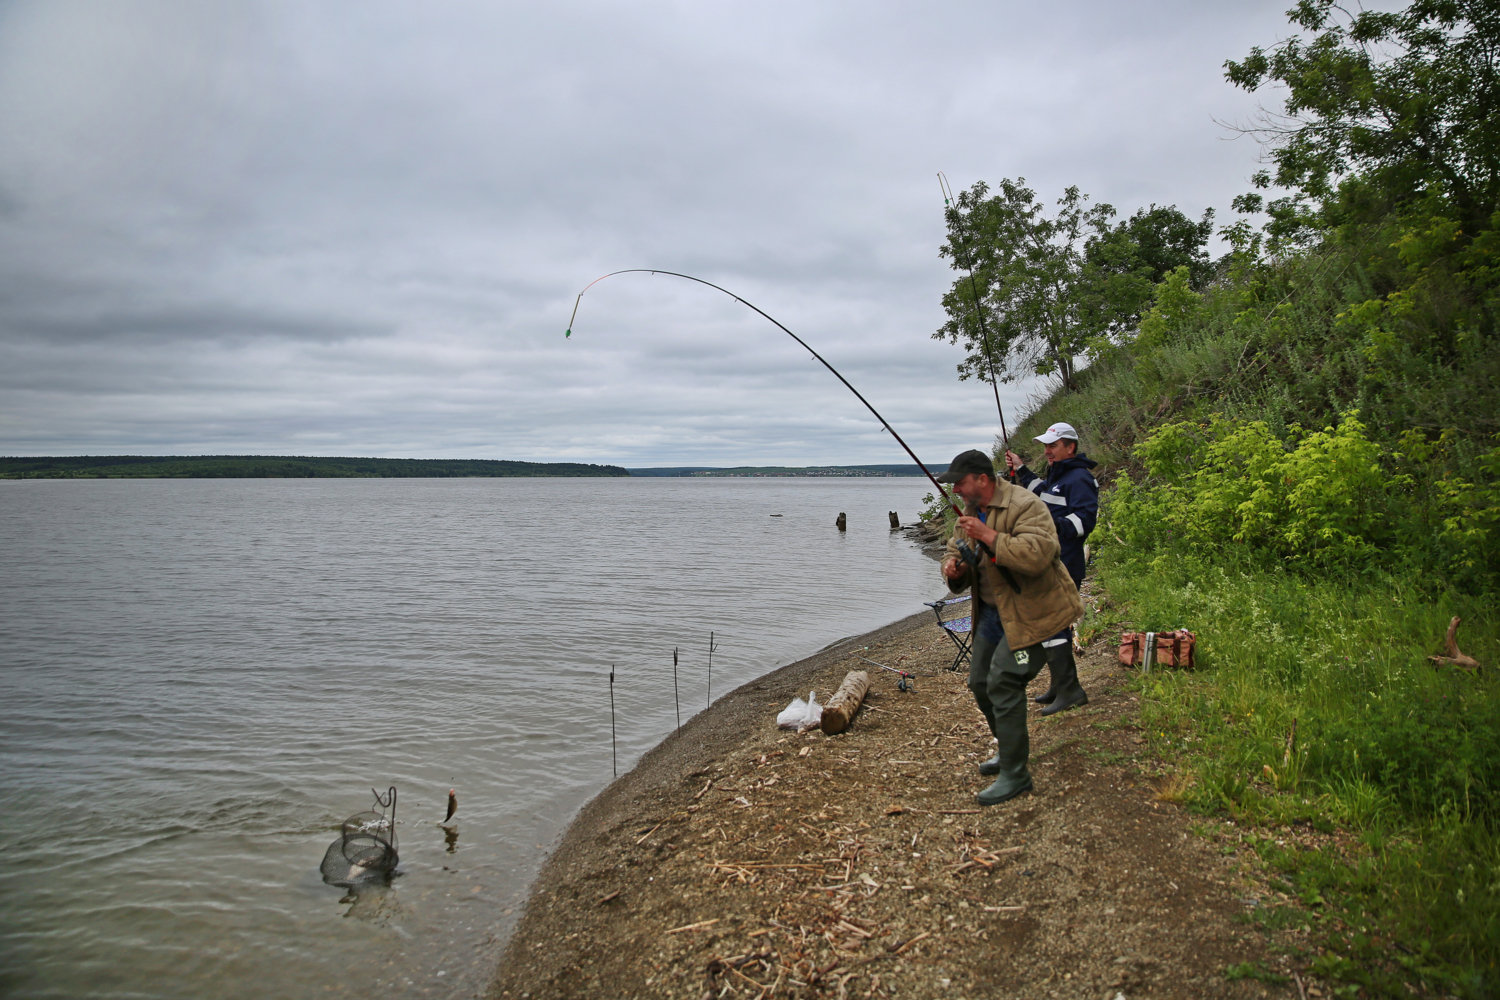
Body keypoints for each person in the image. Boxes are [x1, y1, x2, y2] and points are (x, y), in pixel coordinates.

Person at [938, 449, 1084, 806]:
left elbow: (1038, 554)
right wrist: (953, 569)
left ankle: (1016, 775)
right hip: (992, 613)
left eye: (960, 482)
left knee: (1004, 679)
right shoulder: (967, 516)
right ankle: (1008, 750)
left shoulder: (1025, 504)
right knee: (979, 683)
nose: (955, 489)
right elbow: (952, 552)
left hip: (1035, 612)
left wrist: (988, 536)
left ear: (982, 479)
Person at [1004, 421, 1098, 716]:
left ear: (1070, 447)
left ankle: (1071, 691)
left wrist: (1048, 527)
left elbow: (1085, 521)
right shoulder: (1059, 475)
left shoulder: (1079, 478)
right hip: (1050, 561)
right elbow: (1042, 495)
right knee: (1050, 624)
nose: (1047, 451)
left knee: (1055, 625)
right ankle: (1061, 685)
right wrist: (1020, 469)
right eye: (1045, 446)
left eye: (1053, 446)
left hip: (1066, 562)